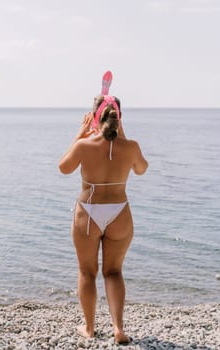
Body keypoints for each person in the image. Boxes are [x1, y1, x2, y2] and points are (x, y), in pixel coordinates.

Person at [59, 95, 148, 344]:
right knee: (114, 272)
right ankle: (118, 328)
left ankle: (89, 328)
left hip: (88, 213)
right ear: (119, 119)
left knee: (88, 272)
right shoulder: (130, 147)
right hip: (119, 213)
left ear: (95, 117)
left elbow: (63, 168)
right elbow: (141, 169)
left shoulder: (85, 145)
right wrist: (124, 137)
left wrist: (79, 134)